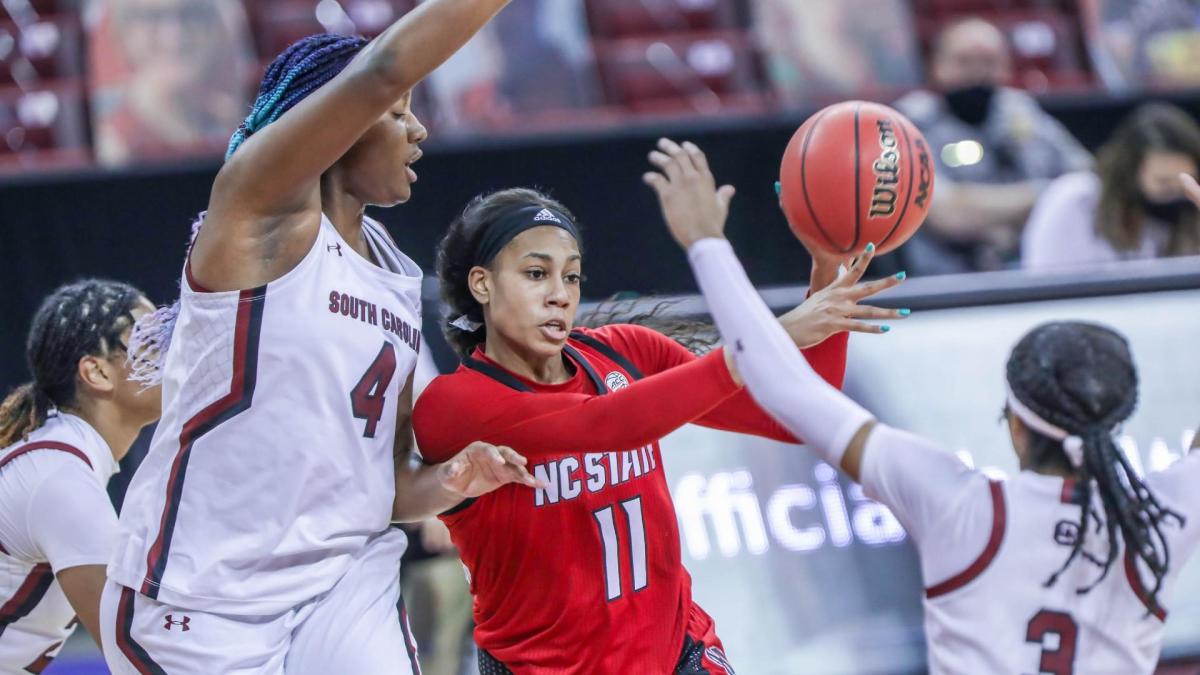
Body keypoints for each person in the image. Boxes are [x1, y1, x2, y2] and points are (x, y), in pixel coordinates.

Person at [646, 138, 1200, 674]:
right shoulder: (1163, 518)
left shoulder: (961, 506)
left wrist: (707, 243)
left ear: (1015, 425)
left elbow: (784, 388)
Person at [100, 3, 540, 673]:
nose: (418, 129)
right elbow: (383, 66)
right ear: (344, 125)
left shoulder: (392, 268)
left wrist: (452, 479)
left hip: (343, 578)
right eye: (397, 114)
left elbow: (385, 484)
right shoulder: (259, 208)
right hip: (205, 593)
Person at [411, 182, 906, 673]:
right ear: (482, 284)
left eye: (572, 276)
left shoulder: (625, 351)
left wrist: (828, 275)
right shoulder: (455, 405)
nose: (560, 295)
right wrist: (767, 340)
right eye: (537, 274)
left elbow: (798, 417)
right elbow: (607, 424)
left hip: (680, 654)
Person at [0, 280, 160, 672]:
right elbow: (137, 653)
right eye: (153, 342)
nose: (179, 353)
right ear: (97, 372)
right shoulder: (60, 480)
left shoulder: (57, 460)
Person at [893, 17, 1092, 274]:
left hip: (1033, 276)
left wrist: (986, 210)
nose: (977, 74)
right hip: (945, 288)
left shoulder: (1022, 112)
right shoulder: (910, 123)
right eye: (964, 61)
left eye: (988, 62)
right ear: (938, 66)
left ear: (1006, 66)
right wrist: (1046, 195)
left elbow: (1088, 185)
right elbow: (948, 215)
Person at [1022, 103, 1200, 269]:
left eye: (1187, 180)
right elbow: (1043, 282)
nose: (1176, 192)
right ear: (1130, 171)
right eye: (1163, 182)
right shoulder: (1073, 200)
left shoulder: (1189, 209)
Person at [87, 0, 255, 165]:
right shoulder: (116, 143)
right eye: (152, 17)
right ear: (124, 32)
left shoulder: (229, 119)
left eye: (190, 15)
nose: (173, 37)